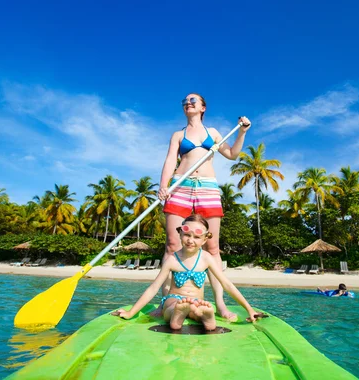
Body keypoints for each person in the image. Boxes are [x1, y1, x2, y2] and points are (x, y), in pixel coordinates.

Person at [156, 93, 251, 321]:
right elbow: (171, 160)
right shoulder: (178, 135)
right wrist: (163, 185)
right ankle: (166, 303)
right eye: (185, 102)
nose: (188, 104)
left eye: (193, 101)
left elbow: (232, 154)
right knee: (172, 245)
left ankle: (220, 304)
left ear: (203, 108)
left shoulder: (214, 133)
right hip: (181, 186)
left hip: (208, 189)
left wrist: (242, 132)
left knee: (212, 248)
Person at [112, 214, 261, 330]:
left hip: (196, 301)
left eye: (196, 237)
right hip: (173, 300)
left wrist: (249, 309)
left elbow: (227, 284)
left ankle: (205, 317)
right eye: (187, 235)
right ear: (180, 235)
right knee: (171, 308)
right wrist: (131, 312)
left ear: (204, 240)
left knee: (196, 309)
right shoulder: (172, 259)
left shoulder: (206, 258)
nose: (191, 240)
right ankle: (177, 314)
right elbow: (153, 288)